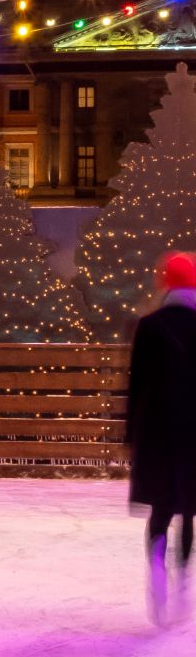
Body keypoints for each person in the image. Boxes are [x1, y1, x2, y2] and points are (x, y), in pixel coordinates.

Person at [125, 252, 196, 627]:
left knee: (161, 509)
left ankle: (156, 563)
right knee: (189, 510)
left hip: (156, 429)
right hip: (193, 431)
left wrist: (129, 435)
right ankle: (183, 578)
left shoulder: (150, 326)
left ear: (166, 282)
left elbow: (136, 386)